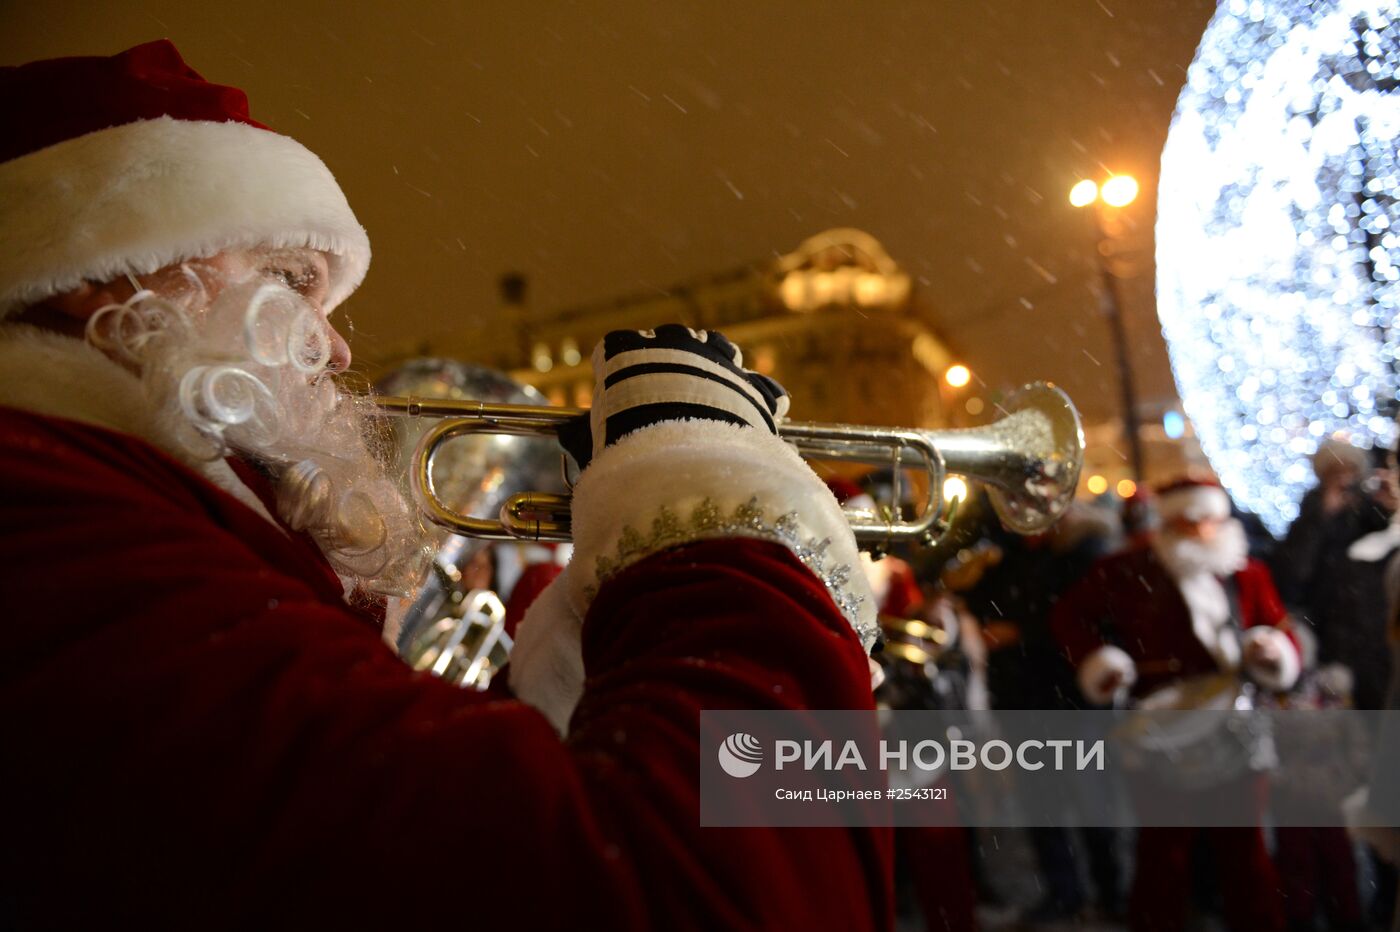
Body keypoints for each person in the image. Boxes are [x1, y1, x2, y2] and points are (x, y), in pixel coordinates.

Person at [0, 41, 891, 928]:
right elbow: (689, 893)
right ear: (100, 275)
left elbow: (410, 849)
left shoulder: (107, 520)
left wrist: (583, 649)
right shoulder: (53, 529)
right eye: (290, 281)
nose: (339, 350)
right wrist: (719, 508)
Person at [1051, 477, 1301, 932]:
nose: (1207, 530)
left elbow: (1280, 629)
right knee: (1163, 852)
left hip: (1234, 721)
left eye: (1213, 520)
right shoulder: (1130, 569)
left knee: (1245, 852)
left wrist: (1272, 649)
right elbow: (1069, 616)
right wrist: (1103, 660)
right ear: (1172, 522)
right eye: (1195, 521)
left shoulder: (1246, 572)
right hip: (1160, 725)